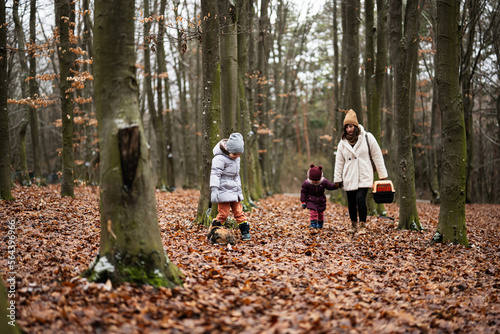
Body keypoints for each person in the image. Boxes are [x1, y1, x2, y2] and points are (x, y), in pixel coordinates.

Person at [334, 109, 388, 234]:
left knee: (360, 199)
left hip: (364, 174)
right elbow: (339, 162)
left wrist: (382, 174)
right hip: (349, 176)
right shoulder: (342, 143)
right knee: (351, 202)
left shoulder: (367, 137)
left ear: (356, 126)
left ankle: (362, 225)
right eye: (347, 127)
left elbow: (377, 156)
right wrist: (337, 179)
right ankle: (353, 225)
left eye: (351, 126)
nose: (349, 129)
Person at [210, 133, 251, 241]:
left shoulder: (237, 159)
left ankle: (245, 232)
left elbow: (236, 176)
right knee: (224, 213)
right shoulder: (219, 159)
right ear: (228, 150)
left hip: (234, 190)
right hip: (223, 190)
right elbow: (215, 174)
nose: (237, 156)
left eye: (239, 154)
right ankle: (214, 231)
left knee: (239, 212)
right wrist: (214, 189)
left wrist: (239, 190)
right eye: (234, 154)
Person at [300, 164, 339, 229]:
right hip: (311, 200)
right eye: (313, 180)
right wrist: (303, 201)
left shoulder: (323, 181)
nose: (315, 182)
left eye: (317, 180)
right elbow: (303, 192)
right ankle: (313, 225)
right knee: (313, 212)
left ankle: (320, 223)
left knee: (320, 213)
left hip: (321, 200)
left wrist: (336, 185)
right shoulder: (306, 183)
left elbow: (329, 186)